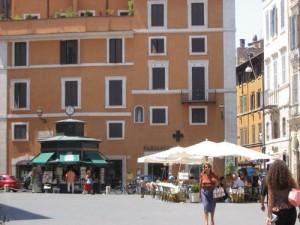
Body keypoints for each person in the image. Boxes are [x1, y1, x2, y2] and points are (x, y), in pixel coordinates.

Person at [266, 160, 297, 225]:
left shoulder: (271, 183)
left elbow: (270, 200)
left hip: (278, 211)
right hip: (290, 211)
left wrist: (269, 215)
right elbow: (297, 194)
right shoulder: (290, 180)